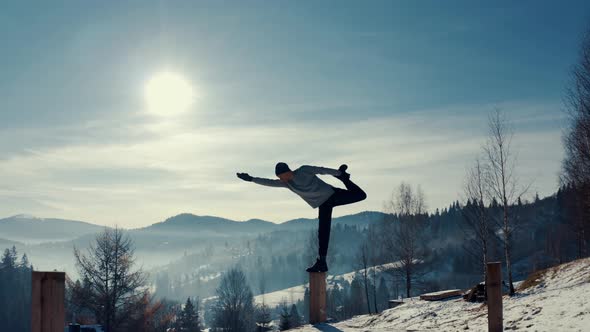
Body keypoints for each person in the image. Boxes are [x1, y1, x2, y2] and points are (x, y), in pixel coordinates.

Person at [236, 162, 367, 272]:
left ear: (288, 171)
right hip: (323, 204)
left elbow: (321, 170)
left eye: (281, 176)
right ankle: (322, 262)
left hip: (333, 194)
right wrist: (251, 179)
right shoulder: (287, 183)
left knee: (360, 195)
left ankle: (344, 179)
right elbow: (269, 182)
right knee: (323, 231)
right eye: (279, 178)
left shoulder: (304, 170)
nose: (281, 180)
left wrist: (339, 174)